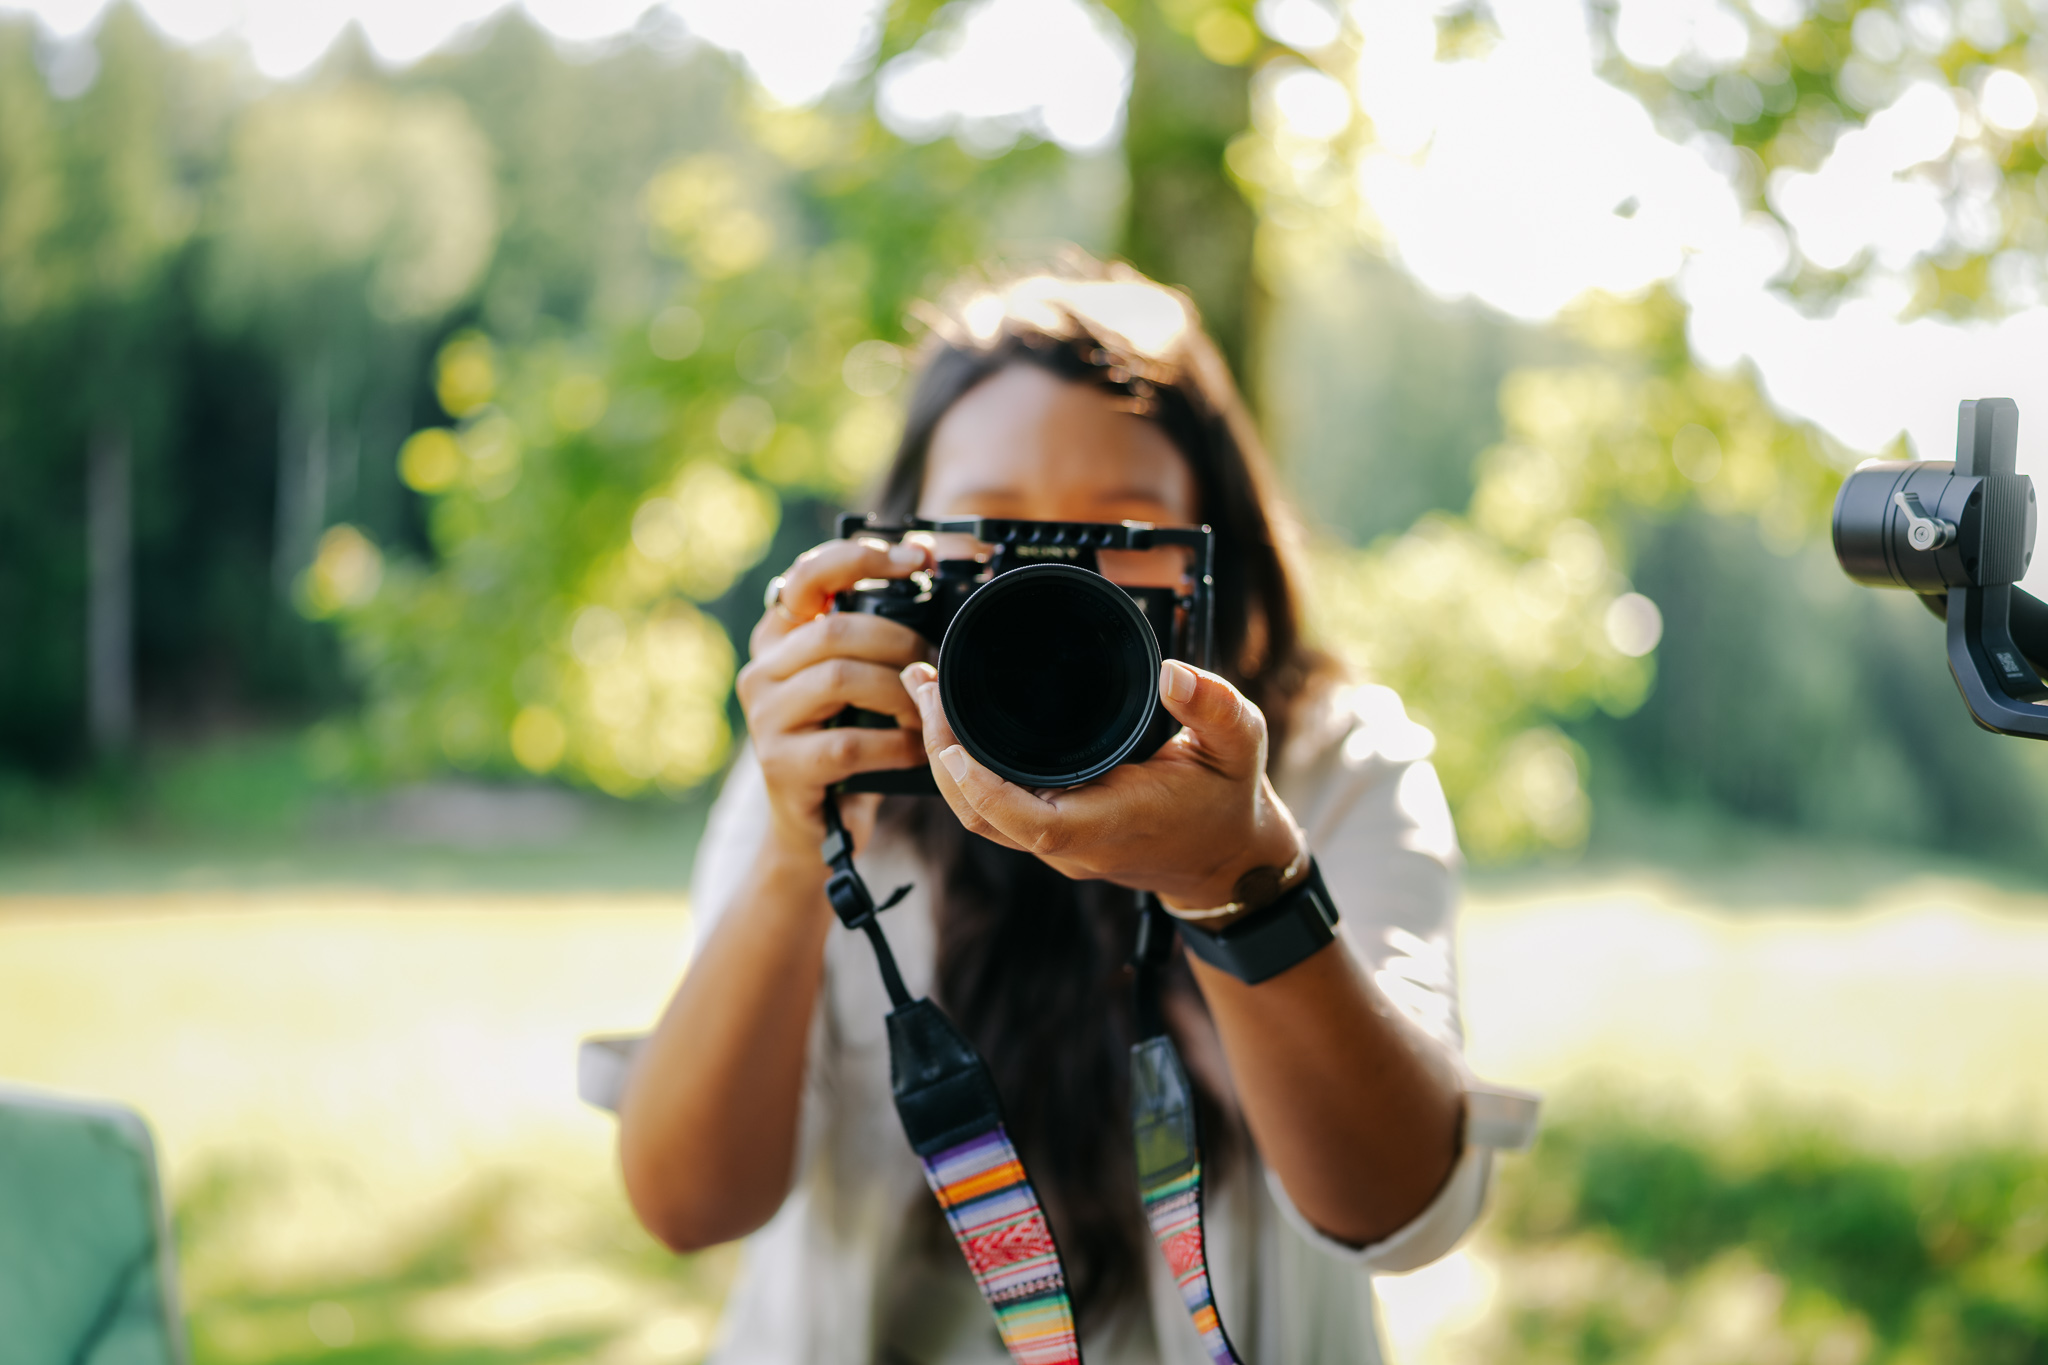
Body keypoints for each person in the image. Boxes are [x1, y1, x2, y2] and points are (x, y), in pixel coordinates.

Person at [617, 257, 1533, 1363]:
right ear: (900, 551)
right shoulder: (832, 764)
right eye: (996, 529)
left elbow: (1402, 1208)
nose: (1048, 590)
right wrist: (792, 854)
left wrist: (1238, 883)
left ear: (1212, 553)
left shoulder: (1327, 761)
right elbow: (686, 1204)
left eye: (1117, 533)